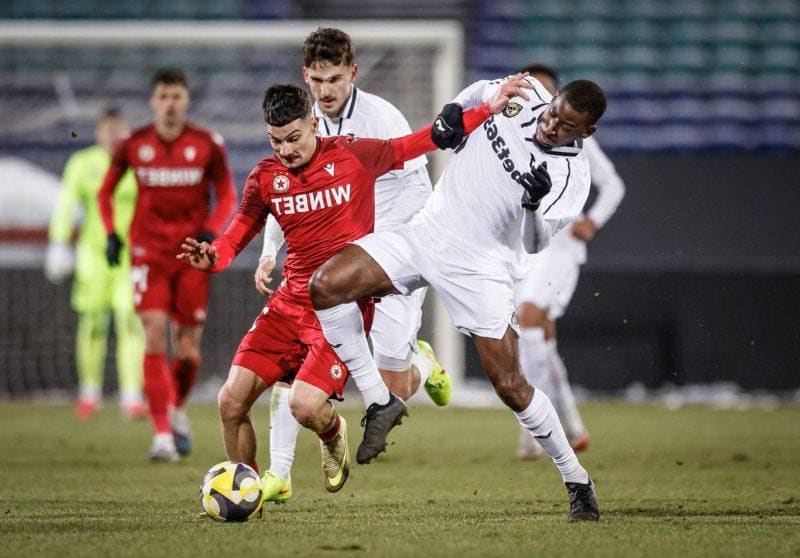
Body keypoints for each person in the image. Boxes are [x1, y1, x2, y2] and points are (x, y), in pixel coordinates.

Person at [176, 79, 526, 495]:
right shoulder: (265, 178)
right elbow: (235, 236)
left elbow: (421, 141)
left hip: (340, 310)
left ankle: (332, 433)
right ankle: (245, 495)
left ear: (313, 126)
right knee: (230, 403)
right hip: (289, 305)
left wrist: (487, 108)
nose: (286, 150)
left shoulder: (351, 154)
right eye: (276, 142)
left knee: (304, 406)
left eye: (293, 138)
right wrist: (213, 257)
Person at [308, 75, 606, 521]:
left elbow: (536, 244)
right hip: (427, 231)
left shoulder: (569, 179)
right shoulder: (525, 95)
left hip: (481, 268)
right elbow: (477, 92)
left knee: (510, 386)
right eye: (553, 113)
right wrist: (452, 109)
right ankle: (380, 400)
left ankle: (576, 478)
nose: (550, 126)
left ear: (586, 132)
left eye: (565, 126)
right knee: (326, 285)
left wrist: (530, 207)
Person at [252, 27, 451, 504]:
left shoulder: (382, 117)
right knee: (294, 357)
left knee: (389, 383)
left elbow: (419, 191)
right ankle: (279, 473)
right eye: (318, 80)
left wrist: (372, 242)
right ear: (306, 76)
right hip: (325, 267)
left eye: (335, 79)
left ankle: (423, 365)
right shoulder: (300, 124)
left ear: (353, 74)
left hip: (387, 256)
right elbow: (286, 194)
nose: (326, 91)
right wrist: (267, 251)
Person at [97, 68, 236, 461]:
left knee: (188, 349)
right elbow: (106, 191)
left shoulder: (207, 144)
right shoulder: (133, 143)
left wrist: (213, 231)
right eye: (163, 96)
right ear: (152, 101)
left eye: (176, 96)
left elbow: (226, 192)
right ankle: (161, 435)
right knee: (154, 335)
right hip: (148, 253)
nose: (170, 103)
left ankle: (175, 407)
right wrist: (112, 233)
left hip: (192, 254)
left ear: (186, 100)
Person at [513, 64, 626, 461]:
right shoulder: (518, 129)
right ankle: (573, 427)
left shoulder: (577, 140)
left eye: (546, 92)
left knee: (528, 322)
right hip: (525, 248)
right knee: (541, 338)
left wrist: (592, 221)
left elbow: (613, 183)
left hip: (559, 249)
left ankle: (533, 432)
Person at [45, 108, 146, 421]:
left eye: (119, 129)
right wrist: (59, 242)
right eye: (108, 129)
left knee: (131, 323)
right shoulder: (82, 164)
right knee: (92, 324)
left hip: (132, 256)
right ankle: (89, 392)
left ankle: (131, 396)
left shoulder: (139, 163)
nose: (114, 135)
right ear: (98, 132)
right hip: (93, 257)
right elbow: (66, 204)